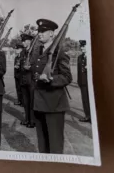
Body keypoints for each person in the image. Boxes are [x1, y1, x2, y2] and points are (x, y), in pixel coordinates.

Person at [31, 18, 72, 154]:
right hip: (39, 102)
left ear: (52, 34)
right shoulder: (38, 51)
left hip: (54, 104)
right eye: (39, 31)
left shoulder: (59, 52)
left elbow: (67, 77)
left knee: (54, 145)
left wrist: (51, 79)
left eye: (43, 31)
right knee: (42, 144)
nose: (40, 34)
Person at [19, 33, 36, 128]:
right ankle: (27, 119)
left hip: (31, 80)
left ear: (29, 41)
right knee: (25, 101)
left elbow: (37, 66)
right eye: (22, 41)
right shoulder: (23, 52)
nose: (23, 43)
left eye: (24, 41)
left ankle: (32, 121)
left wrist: (30, 67)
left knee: (32, 101)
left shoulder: (34, 52)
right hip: (24, 80)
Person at [77, 39, 91, 122]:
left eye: (83, 47)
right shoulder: (79, 57)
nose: (82, 48)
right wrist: (79, 81)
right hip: (83, 82)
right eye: (81, 47)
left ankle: (94, 117)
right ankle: (87, 116)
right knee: (85, 100)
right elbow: (79, 70)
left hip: (90, 82)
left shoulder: (92, 56)